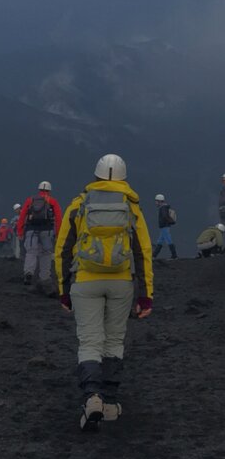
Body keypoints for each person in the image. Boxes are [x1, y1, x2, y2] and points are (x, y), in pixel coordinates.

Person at [55, 154, 153, 429]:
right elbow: (143, 252)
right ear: (124, 177)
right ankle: (109, 403)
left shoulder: (79, 204)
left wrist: (63, 290)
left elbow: (62, 249)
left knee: (89, 341)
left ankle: (92, 398)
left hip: (85, 281)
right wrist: (146, 295)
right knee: (113, 341)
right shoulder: (131, 206)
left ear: (96, 175)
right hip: (121, 282)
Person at [18, 181, 63, 289]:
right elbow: (58, 218)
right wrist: (58, 234)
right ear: (49, 190)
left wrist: (20, 231)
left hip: (31, 230)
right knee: (46, 254)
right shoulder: (52, 201)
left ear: (39, 190)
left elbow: (22, 216)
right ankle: (44, 277)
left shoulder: (30, 200)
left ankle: (28, 273)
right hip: (47, 231)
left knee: (31, 252)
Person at [153, 195, 177, 259]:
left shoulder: (163, 208)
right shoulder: (164, 207)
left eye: (156, 201)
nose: (155, 203)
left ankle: (174, 255)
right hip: (164, 226)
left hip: (164, 226)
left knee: (169, 240)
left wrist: (171, 221)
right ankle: (154, 255)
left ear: (159, 201)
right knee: (160, 241)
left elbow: (165, 216)